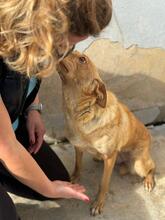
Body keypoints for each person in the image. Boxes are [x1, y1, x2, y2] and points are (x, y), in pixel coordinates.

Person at [0, 0, 112, 219]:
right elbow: (6, 147)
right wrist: (48, 188)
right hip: (4, 142)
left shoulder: (34, 35)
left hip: (8, 126)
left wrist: (33, 108)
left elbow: (31, 70)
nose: (64, 52)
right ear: (41, 24)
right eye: (61, 44)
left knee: (55, 177)